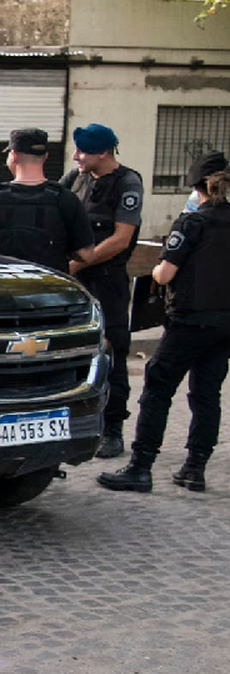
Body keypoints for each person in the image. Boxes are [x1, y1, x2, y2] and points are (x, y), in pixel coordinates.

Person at [98, 153, 230, 493]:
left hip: (188, 321)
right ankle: (194, 468)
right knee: (207, 395)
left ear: (197, 187)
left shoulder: (191, 223)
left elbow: (166, 272)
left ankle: (141, 467)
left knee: (157, 390)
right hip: (224, 324)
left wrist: (156, 272)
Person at [61, 123, 144, 458]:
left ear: (103, 153)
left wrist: (80, 262)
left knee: (112, 353)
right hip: (73, 281)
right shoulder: (74, 180)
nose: (77, 156)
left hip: (106, 281)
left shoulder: (127, 182)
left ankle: (113, 429)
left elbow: (122, 238)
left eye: (82, 150)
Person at [0, 127, 94, 274]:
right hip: (52, 291)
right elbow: (85, 255)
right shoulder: (66, 199)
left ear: (13, 155)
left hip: (6, 291)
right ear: (45, 156)